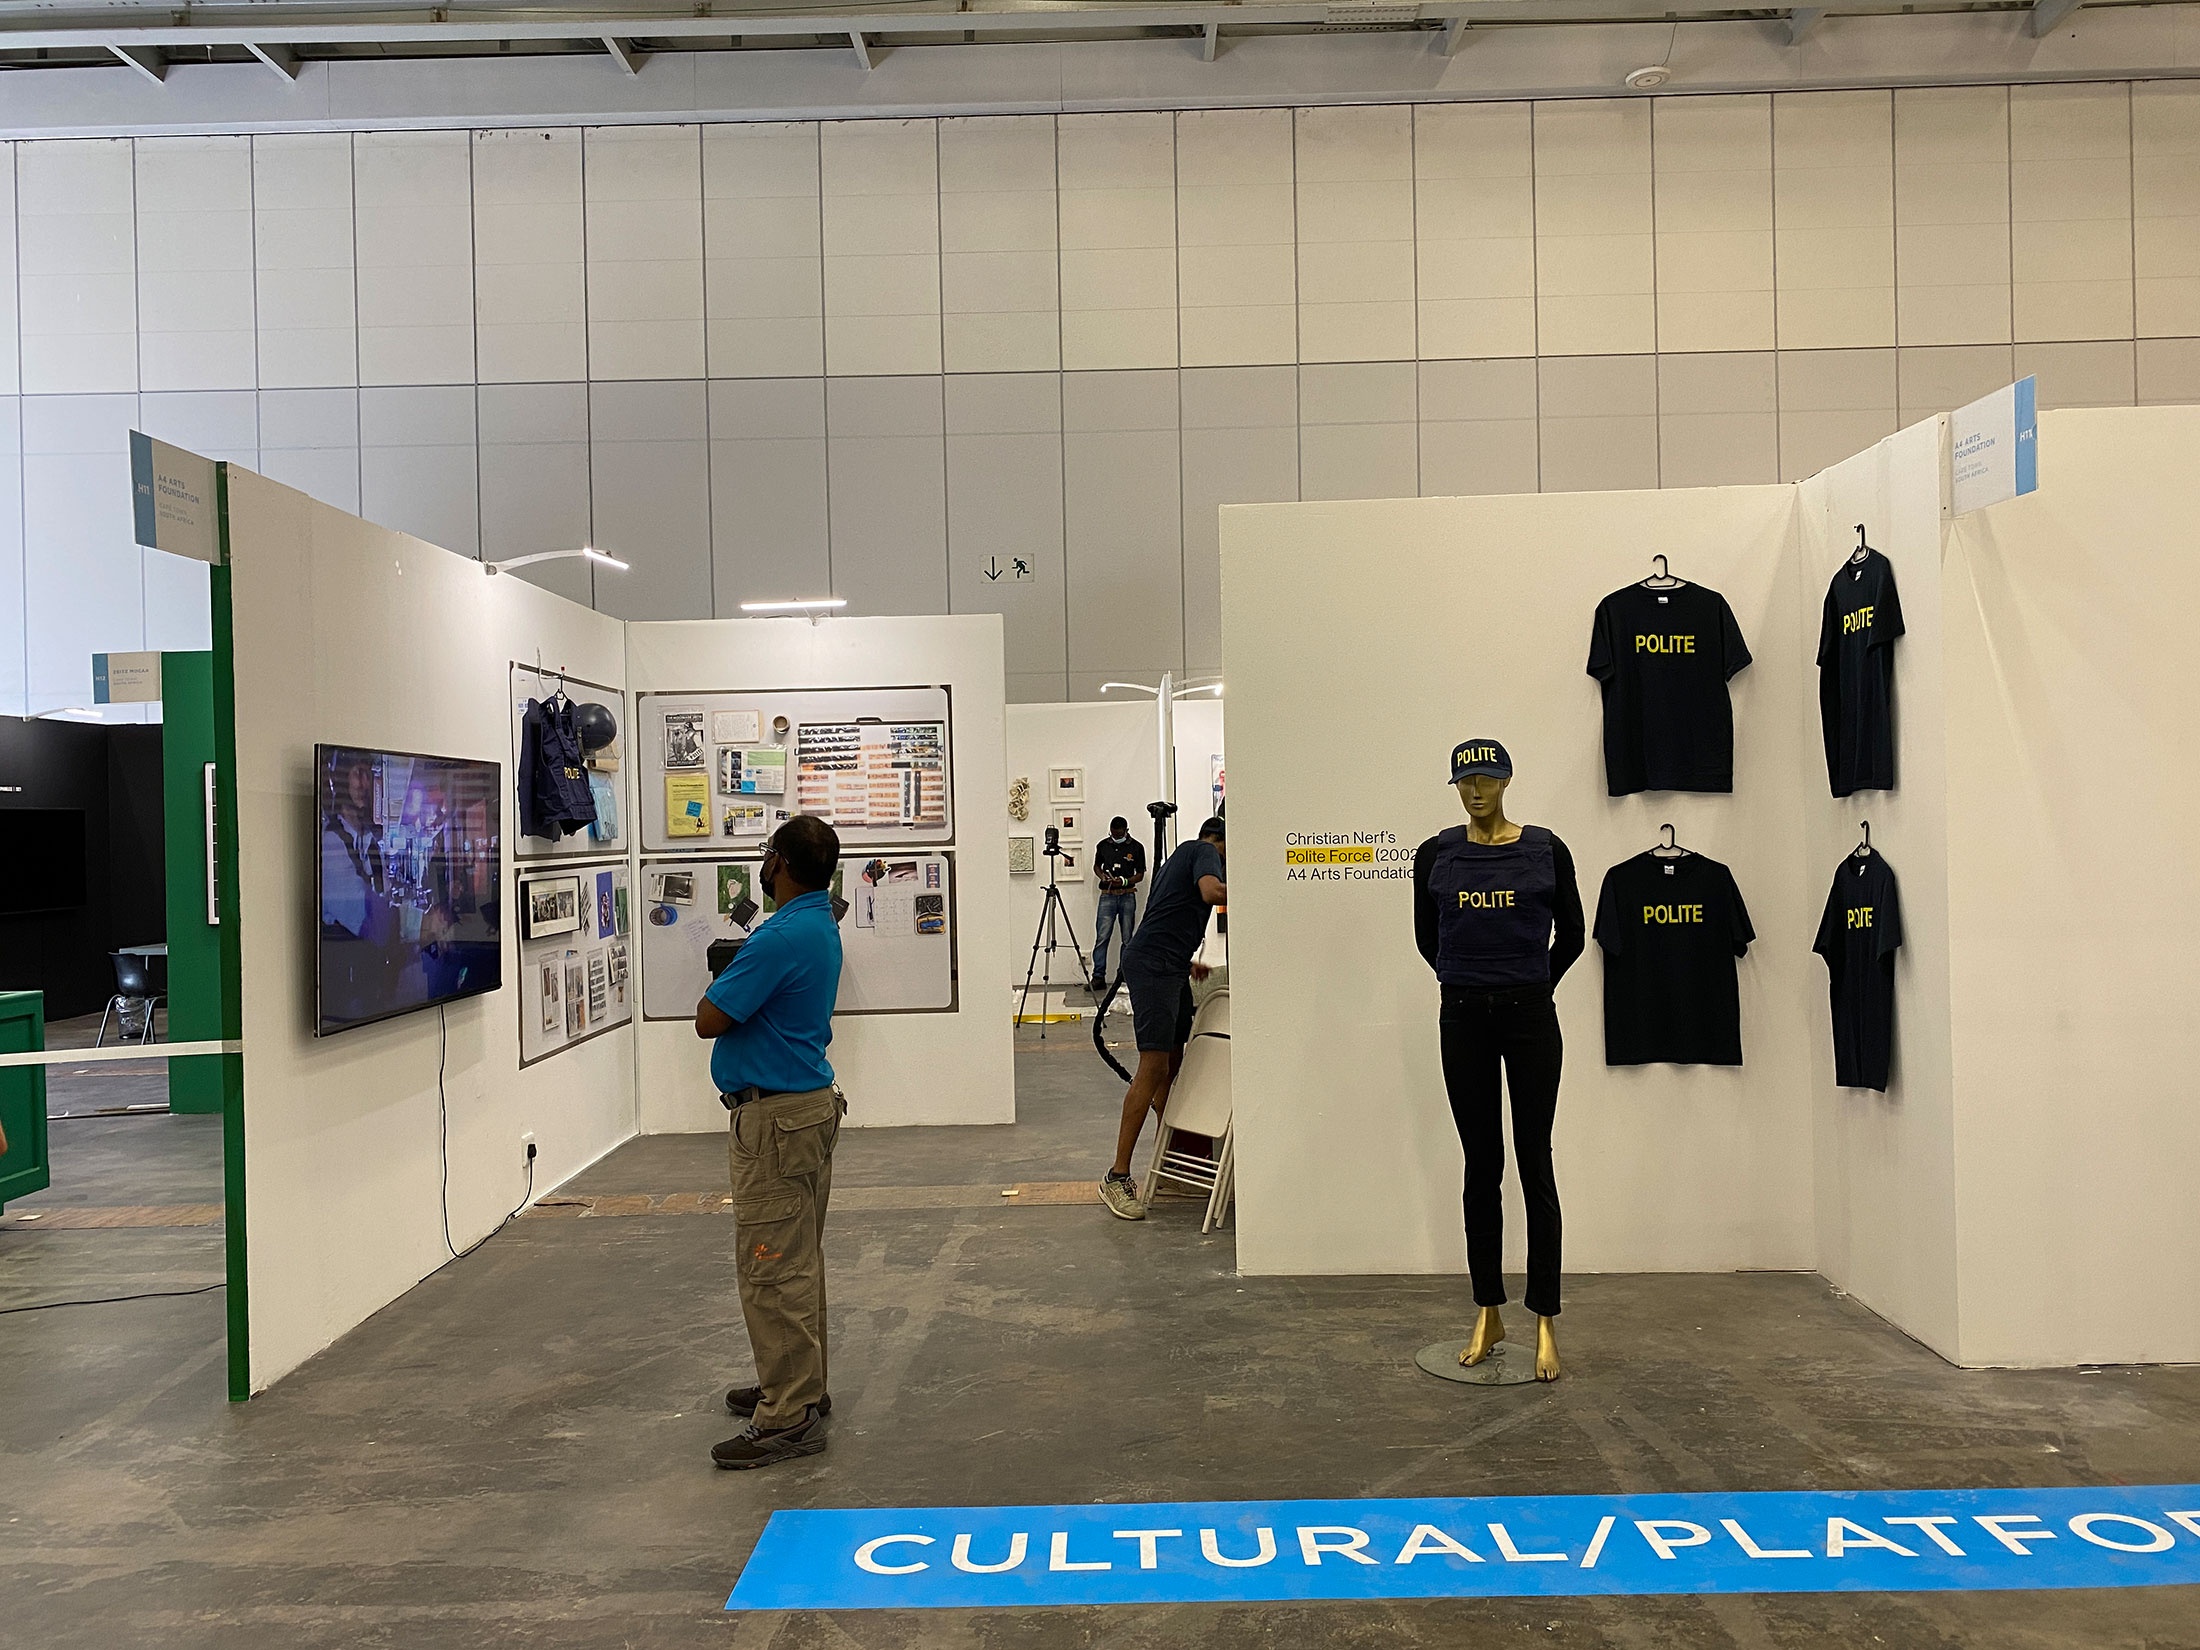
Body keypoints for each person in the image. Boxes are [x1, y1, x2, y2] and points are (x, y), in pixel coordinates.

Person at [1411, 739, 1583, 1383]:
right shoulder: (1436, 854)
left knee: (1535, 1161)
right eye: (1464, 781)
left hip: (1530, 1014)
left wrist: (1533, 982)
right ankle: (1488, 1308)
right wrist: (1467, 980)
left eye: (1486, 779)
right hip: (1462, 1013)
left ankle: (1545, 1316)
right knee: (1481, 1164)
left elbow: (1573, 931)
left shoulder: (1545, 849)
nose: (1475, 791)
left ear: (1507, 780)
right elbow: (1428, 937)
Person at [694, 814, 847, 1469]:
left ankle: (786, 1415)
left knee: (771, 1265)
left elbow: (709, 1018)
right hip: (805, 1112)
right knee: (796, 1257)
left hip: (776, 1121)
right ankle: (799, 1386)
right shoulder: (820, 922)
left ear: (778, 863)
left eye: (766, 855)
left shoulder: (780, 936)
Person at [1099, 816, 1226, 1220]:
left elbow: (1164, 915)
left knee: (1172, 1066)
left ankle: (1166, 1163)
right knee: (1153, 1068)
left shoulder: (1180, 857)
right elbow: (1211, 892)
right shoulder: (1204, 850)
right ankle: (1117, 1177)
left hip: (1166, 965)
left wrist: (1186, 964)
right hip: (1154, 966)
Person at [1088, 815, 1146, 992]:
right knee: (1102, 937)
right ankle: (1098, 977)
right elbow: (1097, 866)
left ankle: (1124, 975)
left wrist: (1126, 881)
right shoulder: (1103, 845)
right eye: (1112, 834)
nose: (1115, 836)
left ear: (1126, 831)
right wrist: (1102, 876)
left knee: (1127, 938)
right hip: (1107, 895)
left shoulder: (1136, 847)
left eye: (1118, 834)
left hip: (1127, 895)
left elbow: (1140, 874)